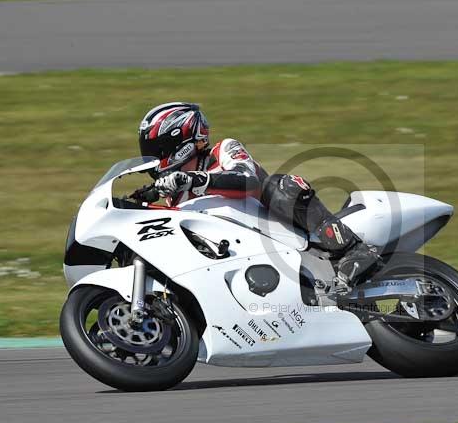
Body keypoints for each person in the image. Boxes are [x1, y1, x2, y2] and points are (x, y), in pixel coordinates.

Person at [138, 102, 381, 286]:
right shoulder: (175, 197)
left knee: (280, 185)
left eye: (157, 150)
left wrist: (197, 179)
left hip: (281, 233)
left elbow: (248, 180)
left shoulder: (223, 150)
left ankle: (353, 249)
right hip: (239, 256)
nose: (153, 159)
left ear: (180, 141)